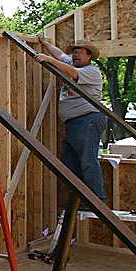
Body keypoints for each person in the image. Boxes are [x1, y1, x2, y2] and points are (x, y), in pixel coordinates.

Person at [35, 35, 107, 202]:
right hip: (75, 123)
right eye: (74, 52)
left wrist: (48, 60)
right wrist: (45, 43)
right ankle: (81, 199)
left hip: (87, 120)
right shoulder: (69, 63)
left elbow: (72, 73)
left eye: (80, 53)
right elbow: (60, 55)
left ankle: (97, 201)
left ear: (89, 56)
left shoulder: (91, 71)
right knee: (69, 162)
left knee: (88, 161)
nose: (76, 55)